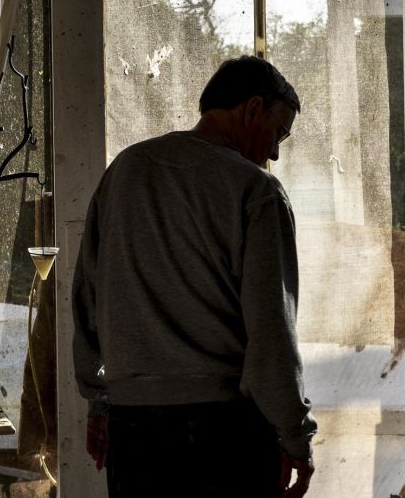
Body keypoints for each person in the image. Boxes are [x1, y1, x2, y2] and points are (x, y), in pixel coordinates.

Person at [73, 55, 317, 498]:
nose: (275, 152)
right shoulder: (256, 191)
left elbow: (87, 297)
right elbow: (271, 332)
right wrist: (295, 436)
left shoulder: (125, 170)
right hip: (224, 431)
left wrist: (99, 401)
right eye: (279, 132)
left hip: (133, 429)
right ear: (252, 109)